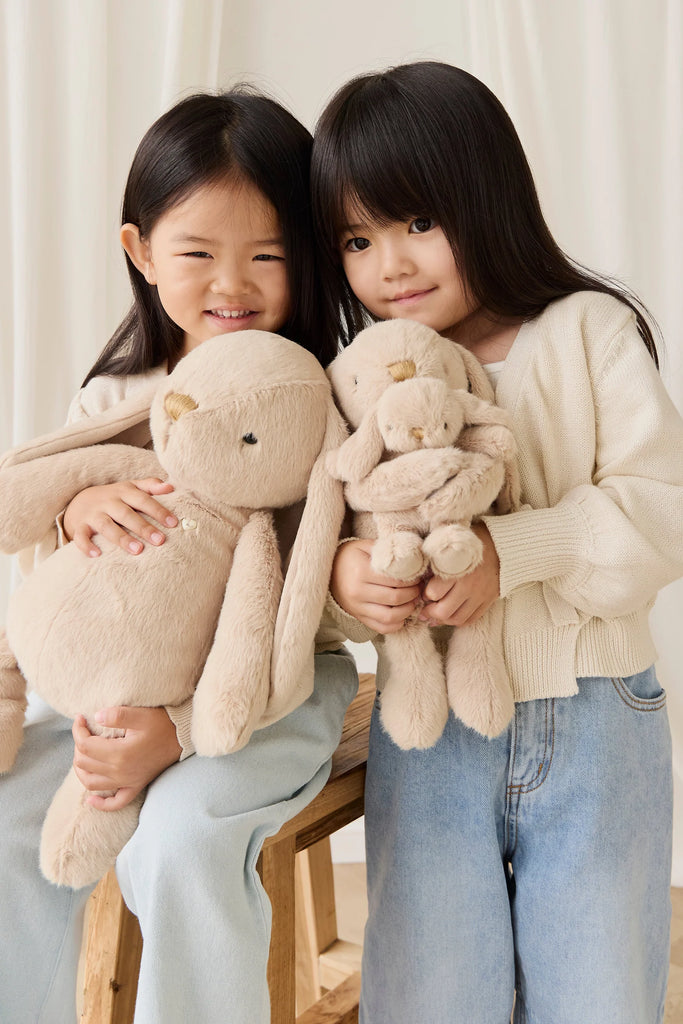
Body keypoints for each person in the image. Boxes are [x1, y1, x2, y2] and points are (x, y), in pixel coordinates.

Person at [311, 61, 683, 1024]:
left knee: (599, 995)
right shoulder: (357, 378)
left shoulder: (587, 331)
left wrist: (508, 552)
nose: (390, 264)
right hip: (428, 730)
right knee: (429, 995)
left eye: (417, 221)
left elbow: (660, 513)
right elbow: (315, 537)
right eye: (357, 238)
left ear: (488, 197)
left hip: (596, 722)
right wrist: (350, 582)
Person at [0, 89, 358, 1024]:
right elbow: (55, 585)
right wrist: (71, 511)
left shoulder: (320, 403)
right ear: (142, 251)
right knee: (5, 824)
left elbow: (320, 603)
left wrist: (184, 727)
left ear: (308, 256)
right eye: (197, 252)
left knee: (180, 840)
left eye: (267, 255)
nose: (232, 282)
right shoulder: (114, 399)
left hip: (267, 695)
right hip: (104, 694)